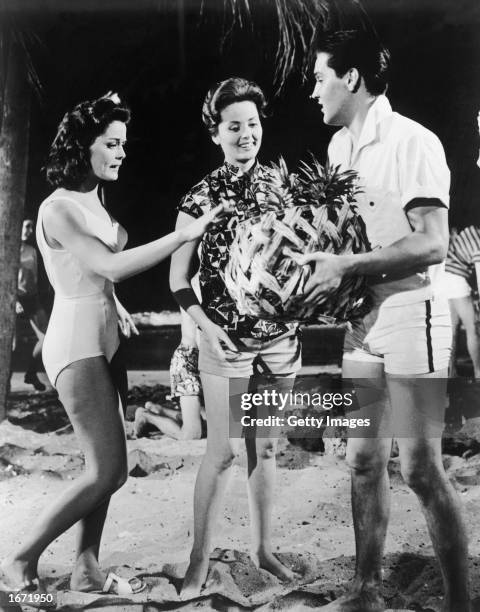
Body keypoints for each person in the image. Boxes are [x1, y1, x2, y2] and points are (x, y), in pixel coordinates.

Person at [0, 93, 229, 596]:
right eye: (111, 143)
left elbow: (94, 276)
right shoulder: (57, 207)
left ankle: (86, 567)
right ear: (85, 146)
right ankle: (19, 562)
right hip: (75, 343)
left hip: (106, 337)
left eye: (124, 143)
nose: (122, 153)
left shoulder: (94, 200)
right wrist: (183, 235)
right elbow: (105, 265)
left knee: (100, 467)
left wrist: (116, 303)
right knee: (110, 470)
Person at [294, 30, 470, 612]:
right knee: (363, 459)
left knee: (420, 468)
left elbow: (431, 244)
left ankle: (460, 600)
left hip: (416, 313)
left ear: (352, 78)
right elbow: (350, 244)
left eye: (320, 77)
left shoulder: (413, 141)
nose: (313, 90)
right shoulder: (340, 150)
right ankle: (365, 592)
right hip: (365, 321)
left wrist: (347, 263)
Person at [170, 77, 302, 599]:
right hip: (225, 342)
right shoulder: (200, 196)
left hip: (281, 341)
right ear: (216, 134)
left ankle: (264, 549)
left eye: (252, 124)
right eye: (234, 126)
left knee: (265, 449)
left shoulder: (281, 187)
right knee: (222, 451)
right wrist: (207, 328)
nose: (246, 134)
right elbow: (179, 279)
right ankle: (199, 561)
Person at [135, 283, 205, 440]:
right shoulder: (195, 282)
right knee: (192, 435)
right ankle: (147, 416)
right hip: (188, 361)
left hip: (208, 359)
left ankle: (159, 410)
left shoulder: (223, 276)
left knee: (218, 427)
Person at [15, 219, 49, 391]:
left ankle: (31, 373)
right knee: (13, 342)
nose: (29, 230)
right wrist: (13, 300)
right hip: (15, 300)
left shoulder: (31, 250)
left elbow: (34, 279)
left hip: (32, 299)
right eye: (26, 226)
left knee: (48, 338)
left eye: (31, 227)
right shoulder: (7, 248)